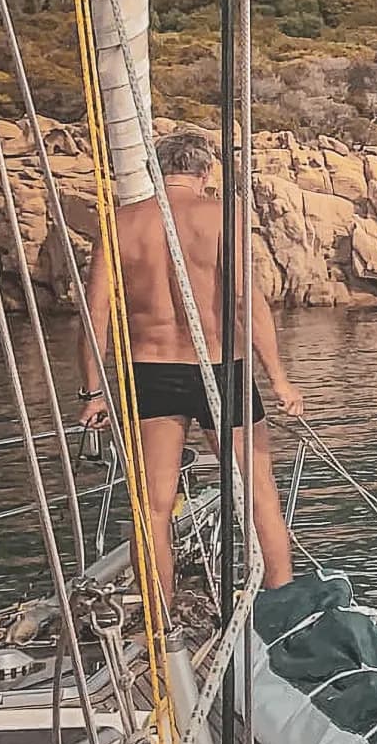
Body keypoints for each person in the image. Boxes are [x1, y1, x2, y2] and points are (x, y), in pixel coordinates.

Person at [77, 129, 302, 607]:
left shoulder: (121, 223)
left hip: (150, 371)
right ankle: (283, 602)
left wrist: (93, 391)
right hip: (222, 368)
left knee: (153, 508)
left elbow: (96, 312)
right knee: (258, 492)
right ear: (204, 172)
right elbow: (246, 300)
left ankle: (162, 621)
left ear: (158, 171)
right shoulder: (221, 215)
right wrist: (278, 376)